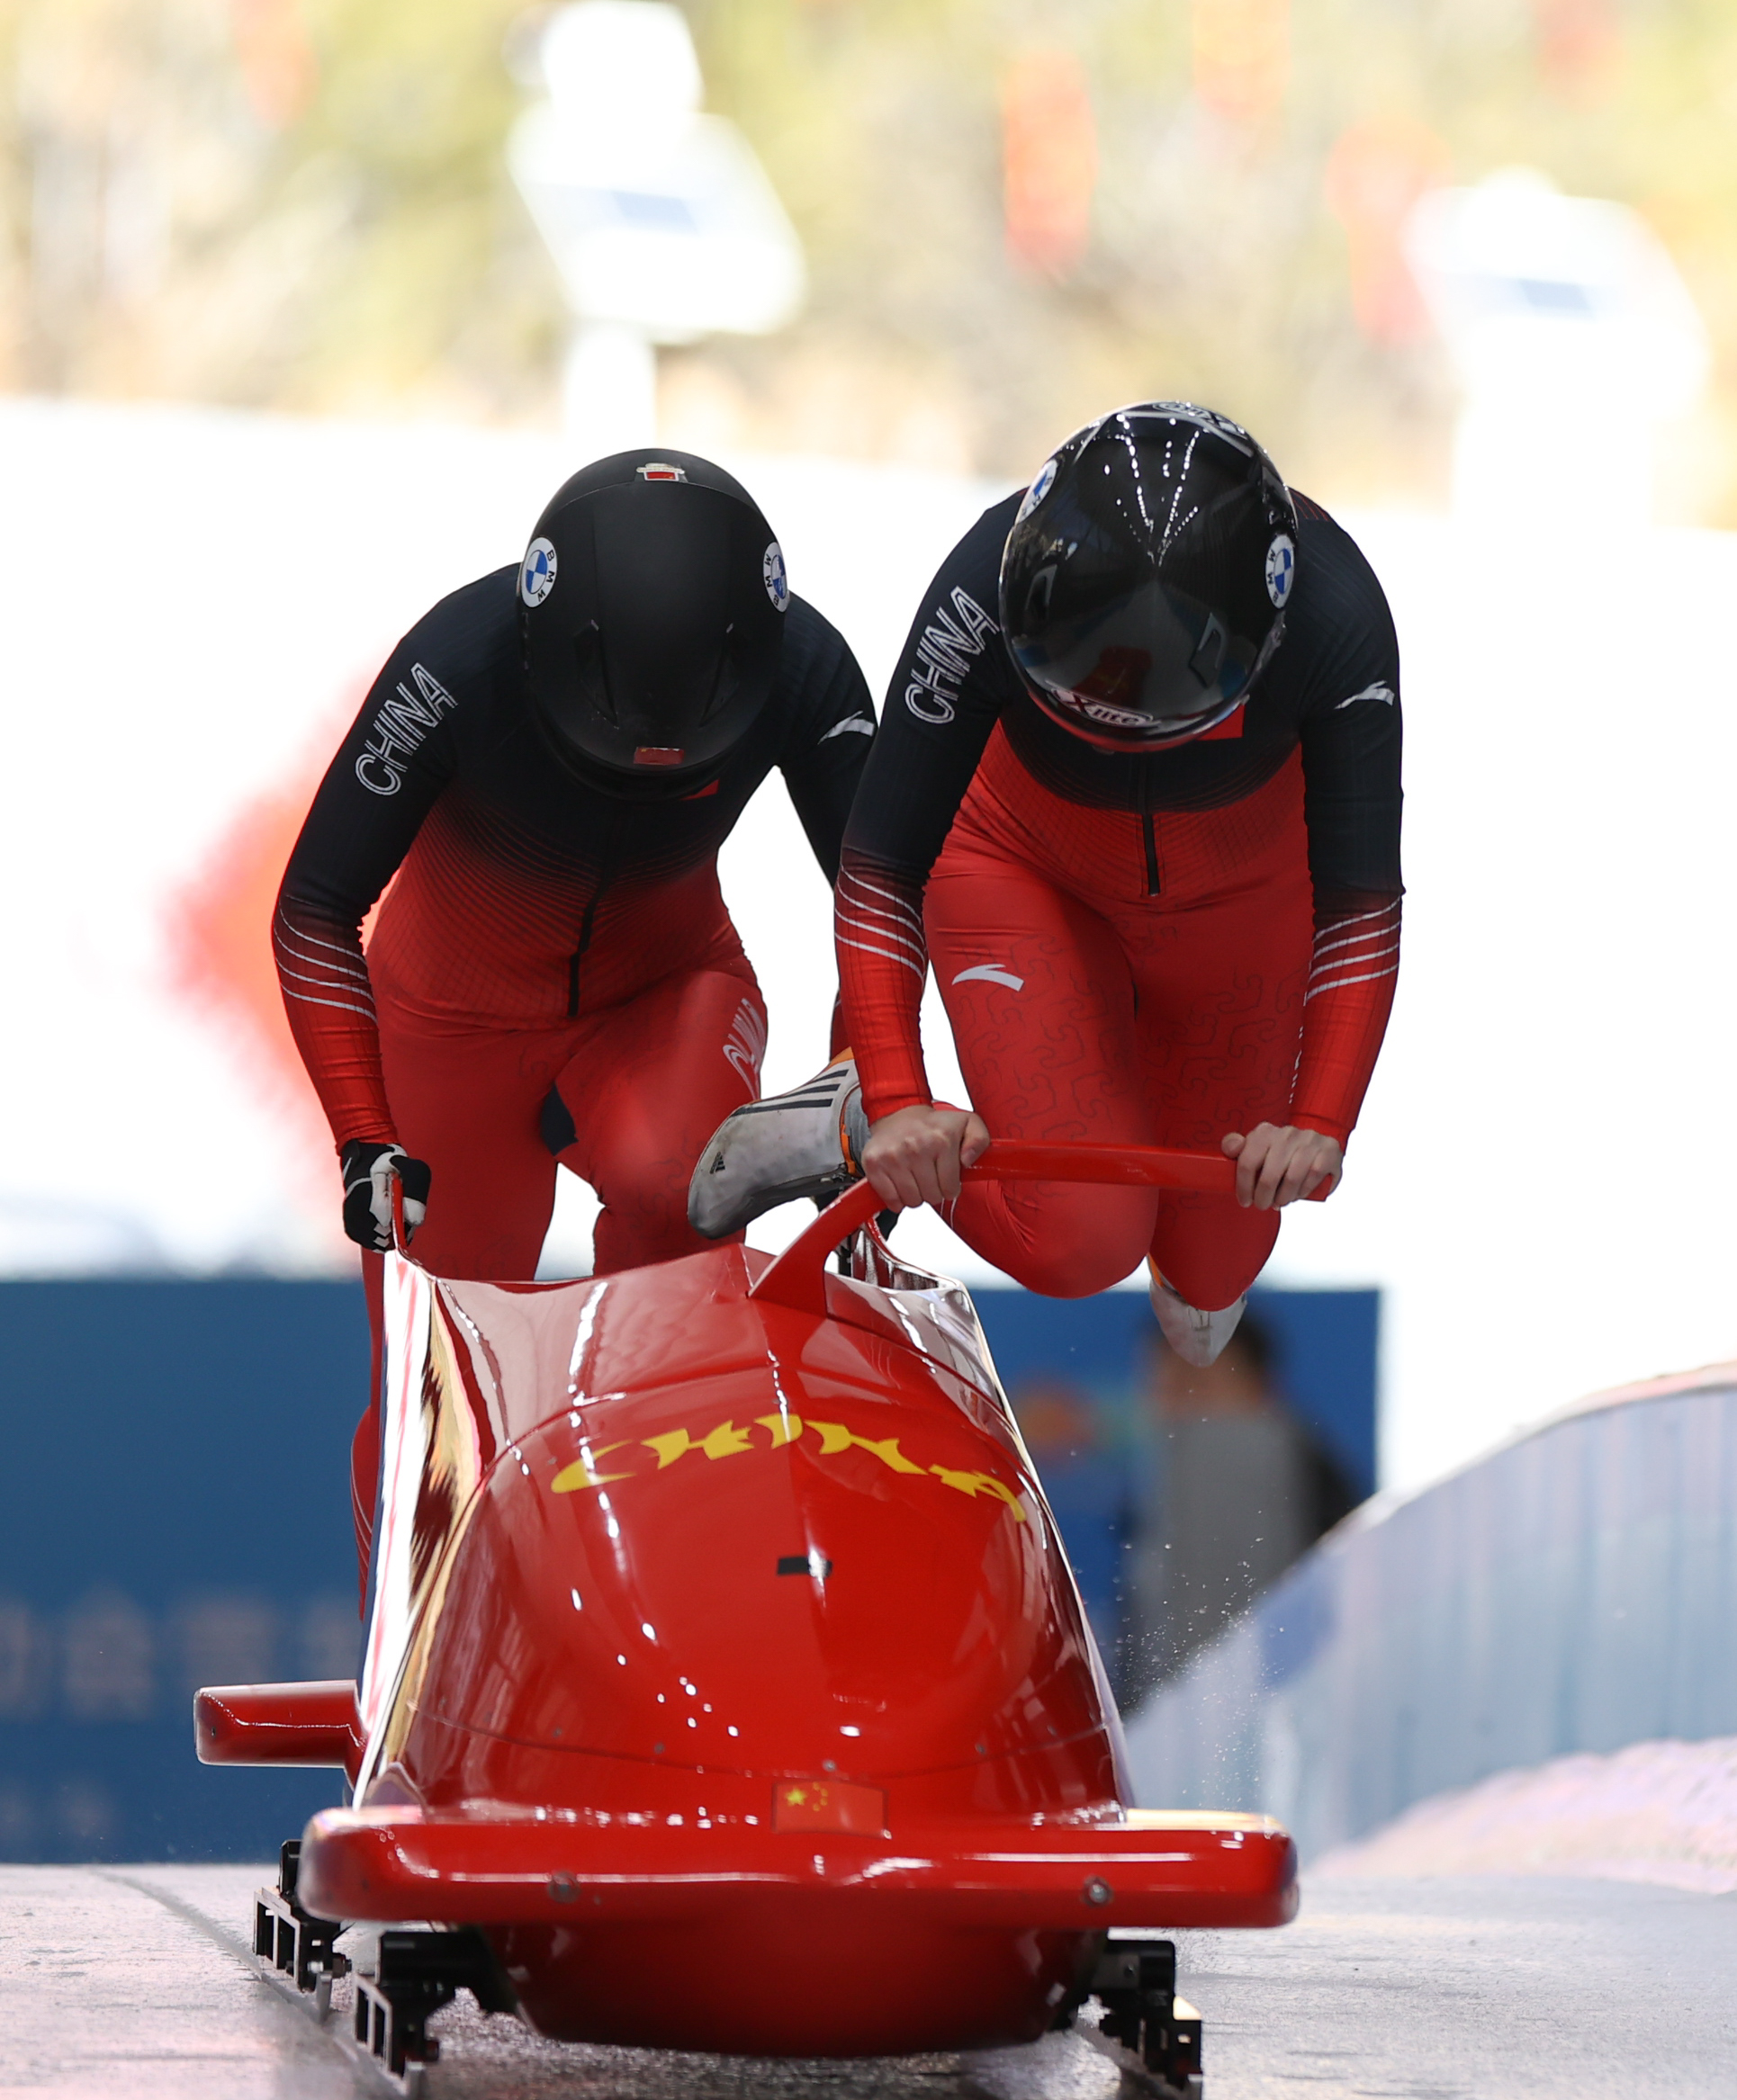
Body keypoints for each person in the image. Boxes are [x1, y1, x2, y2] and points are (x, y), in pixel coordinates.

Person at [692, 403, 1400, 1366]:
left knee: (1214, 1279)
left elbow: (1360, 899)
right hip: (1020, 868)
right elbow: (881, 863)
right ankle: (844, 1115)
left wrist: (1320, 1122)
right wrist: (899, 1098)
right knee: (1081, 1241)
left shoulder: (1337, 615)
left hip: (1240, 911)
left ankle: (1191, 1234)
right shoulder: (976, 589)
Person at [274, 449, 875, 1583]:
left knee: (678, 1194)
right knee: (434, 1403)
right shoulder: (454, 663)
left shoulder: (804, 665)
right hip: (445, 1024)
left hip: (663, 991)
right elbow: (313, 910)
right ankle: (426, 1646)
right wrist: (364, 1137)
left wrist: (874, 1074)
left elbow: (886, 896)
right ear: (539, 653)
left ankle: (670, 1584)